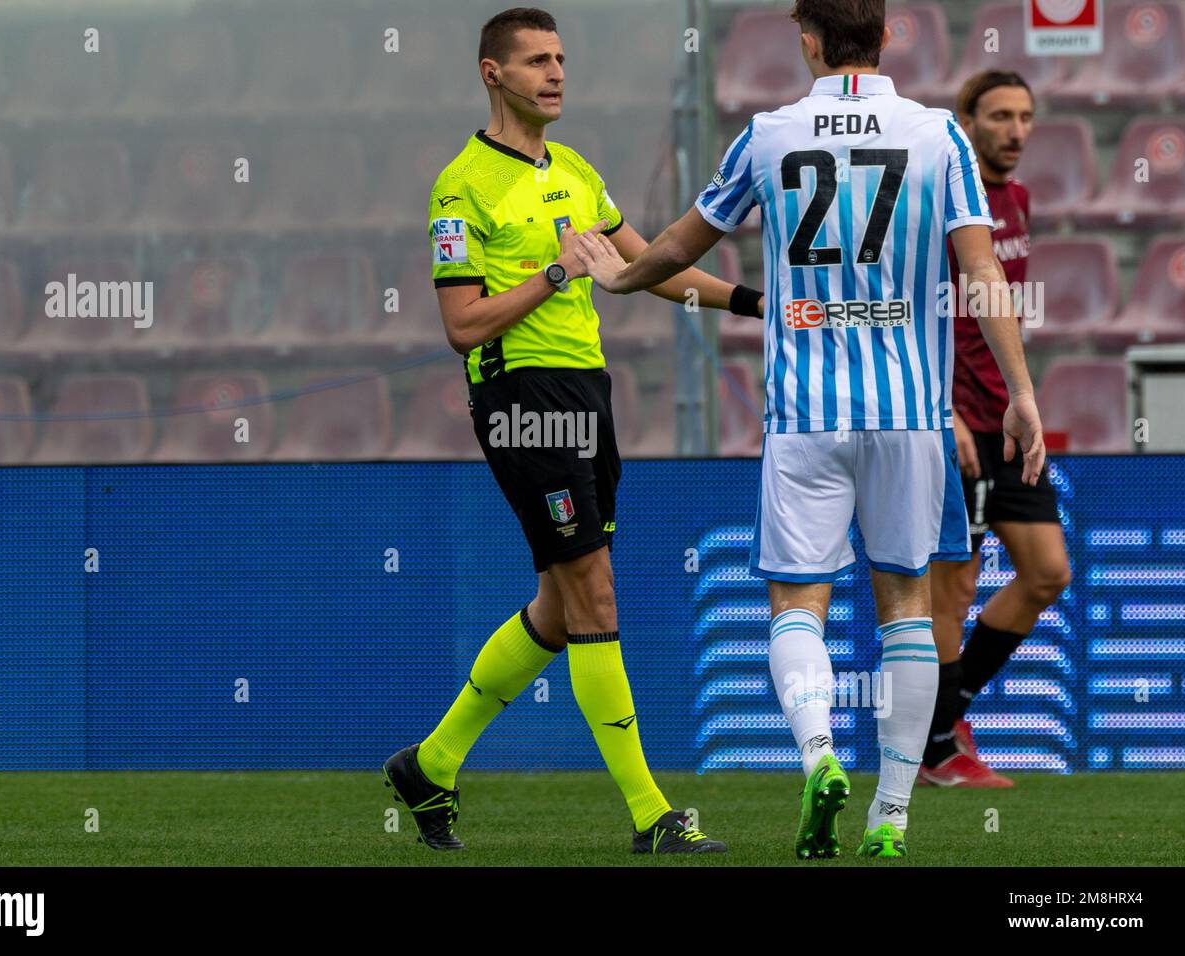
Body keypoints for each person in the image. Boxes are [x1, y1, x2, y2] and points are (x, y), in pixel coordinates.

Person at [572, 0, 1045, 860]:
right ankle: (892, 816)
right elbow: (979, 267)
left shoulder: (768, 135)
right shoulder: (939, 134)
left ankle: (820, 757)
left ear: (808, 40)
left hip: (806, 415)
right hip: (911, 418)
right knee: (906, 606)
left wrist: (621, 275)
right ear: (888, 36)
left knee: (797, 604)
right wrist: (1021, 389)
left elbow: (682, 245)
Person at [384, 6, 765, 854]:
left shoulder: (578, 172)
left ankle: (431, 763)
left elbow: (643, 268)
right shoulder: (461, 187)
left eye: (561, 59)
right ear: (494, 74)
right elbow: (464, 326)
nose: (556, 73)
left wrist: (750, 302)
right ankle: (650, 814)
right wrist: (558, 270)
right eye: (535, 61)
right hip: (522, 404)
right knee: (594, 590)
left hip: (587, 396)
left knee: (560, 610)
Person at [920, 71, 1072, 788]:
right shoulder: (941, 206)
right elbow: (914, 310)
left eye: (1026, 116)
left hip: (1005, 419)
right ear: (966, 121)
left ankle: (945, 719)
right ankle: (939, 752)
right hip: (950, 424)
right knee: (952, 590)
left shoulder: (1018, 200)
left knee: (1046, 571)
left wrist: (1019, 396)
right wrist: (938, 409)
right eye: (1001, 115)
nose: (1016, 130)